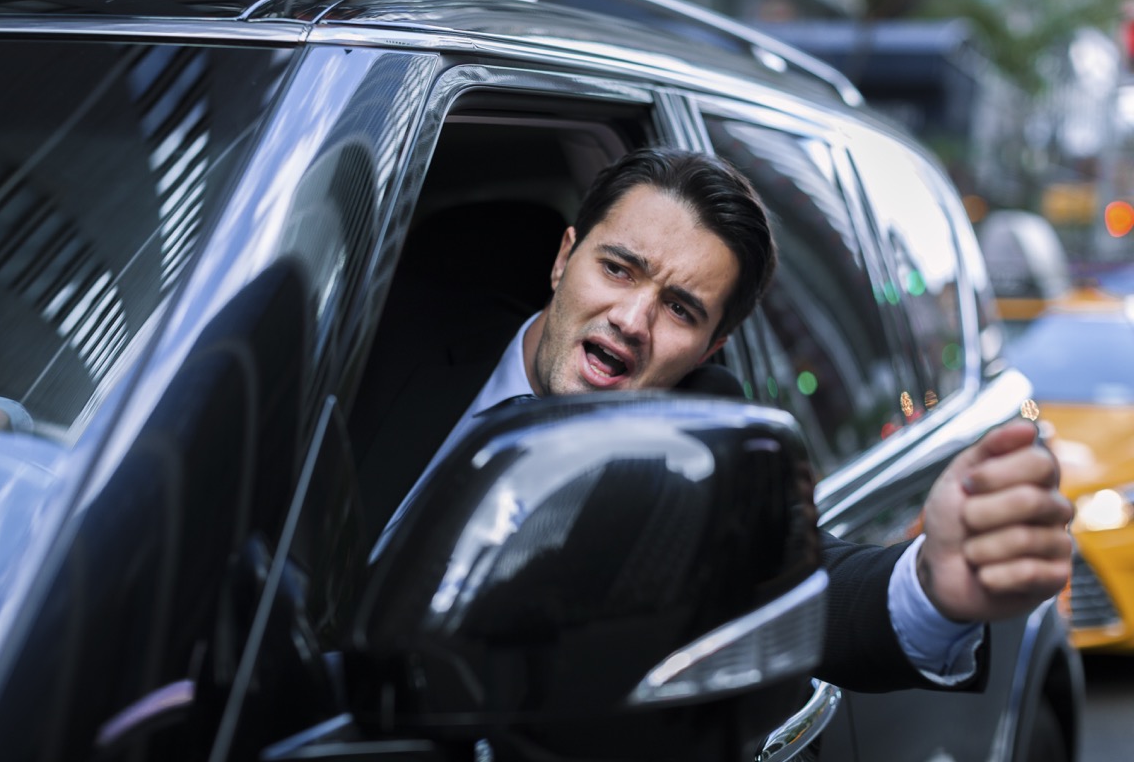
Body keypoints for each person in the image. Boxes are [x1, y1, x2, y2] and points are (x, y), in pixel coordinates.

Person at [375, 147, 1073, 693]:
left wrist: (929, 587)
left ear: (710, 348)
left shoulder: (702, 446)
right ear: (564, 258)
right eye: (617, 269)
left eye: (680, 309)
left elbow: (802, 581)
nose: (632, 319)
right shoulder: (388, 330)